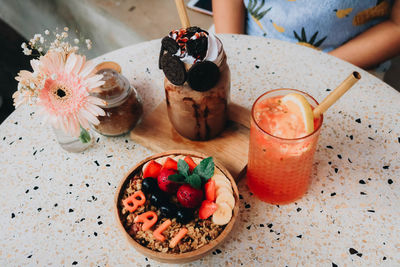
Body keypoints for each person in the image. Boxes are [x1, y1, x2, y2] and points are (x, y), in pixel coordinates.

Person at [212, 0, 400, 71]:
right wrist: (235, 51)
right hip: (241, 38)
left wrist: (314, 70)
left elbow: (397, 25)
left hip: (347, 61)